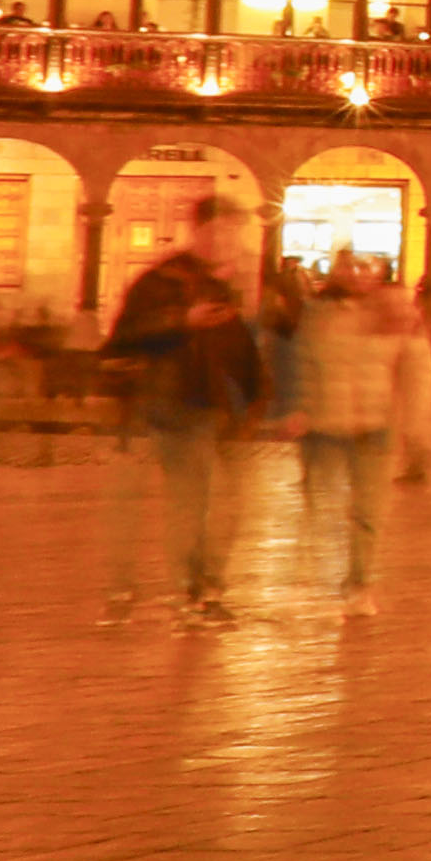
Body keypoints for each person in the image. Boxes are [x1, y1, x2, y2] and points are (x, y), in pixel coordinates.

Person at [100, 201, 263, 625]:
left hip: (216, 409)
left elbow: (236, 346)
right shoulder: (160, 281)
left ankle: (202, 587)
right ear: (200, 230)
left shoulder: (220, 285)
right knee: (189, 504)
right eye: (221, 231)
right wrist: (182, 319)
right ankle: (191, 593)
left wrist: (258, 396)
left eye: (234, 232)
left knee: (224, 506)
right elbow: (124, 336)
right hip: (172, 404)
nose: (229, 241)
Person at [287, 252, 413, 605]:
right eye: (350, 267)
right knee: (324, 506)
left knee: (369, 512)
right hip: (326, 426)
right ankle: (327, 573)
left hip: (376, 427)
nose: (358, 274)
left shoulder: (393, 313)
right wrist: (300, 409)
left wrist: (414, 427)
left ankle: (359, 583)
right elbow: (303, 364)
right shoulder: (319, 314)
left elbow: (412, 371)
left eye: (367, 268)